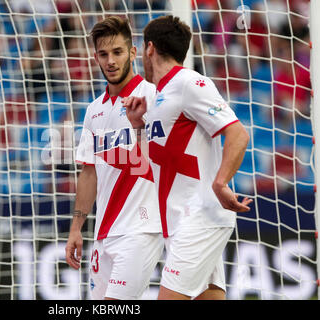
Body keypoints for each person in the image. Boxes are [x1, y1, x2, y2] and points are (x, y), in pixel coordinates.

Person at [122, 15, 252, 300]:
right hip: (180, 220)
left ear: (150, 49)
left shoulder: (190, 82)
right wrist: (138, 126)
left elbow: (238, 134)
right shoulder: (157, 98)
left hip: (198, 218)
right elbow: (146, 166)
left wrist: (221, 183)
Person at [65, 16, 163, 300]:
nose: (111, 61)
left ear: (133, 52)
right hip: (103, 233)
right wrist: (75, 228)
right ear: (95, 57)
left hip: (141, 228)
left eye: (118, 52)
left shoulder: (154, 97)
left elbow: (169, 155)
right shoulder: (93, 111)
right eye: (104, 54)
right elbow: (89, 172)